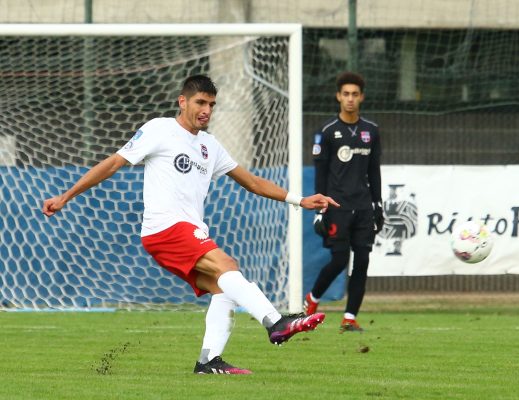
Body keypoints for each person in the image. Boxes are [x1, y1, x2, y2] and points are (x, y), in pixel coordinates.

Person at [42, 74, 339, 375]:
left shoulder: (210, 145)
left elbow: (251, 181)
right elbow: (114, 163)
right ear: (182, 101)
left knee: (225, 285)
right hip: (165, 228)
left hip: (183, 230)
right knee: (225, 265)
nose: (206, 110)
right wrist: (67, 196)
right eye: (200, 102)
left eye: (211, 104)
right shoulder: (160, 129)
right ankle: (276, 322)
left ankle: (208, 361)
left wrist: (299, 199)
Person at [304, 71, 383, 333]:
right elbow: (321, 173)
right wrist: (319, 211)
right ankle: (312, 299)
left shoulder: (371, 131)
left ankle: (350, 318)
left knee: (362, 261)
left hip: (363, 208)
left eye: (355, 94)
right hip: (337, 207)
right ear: (338, 96)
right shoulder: (326, 132)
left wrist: (378, 205)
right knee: (339, 260)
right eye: (346, 94)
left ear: (362, 97)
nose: (350, 99)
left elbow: (374, 172)